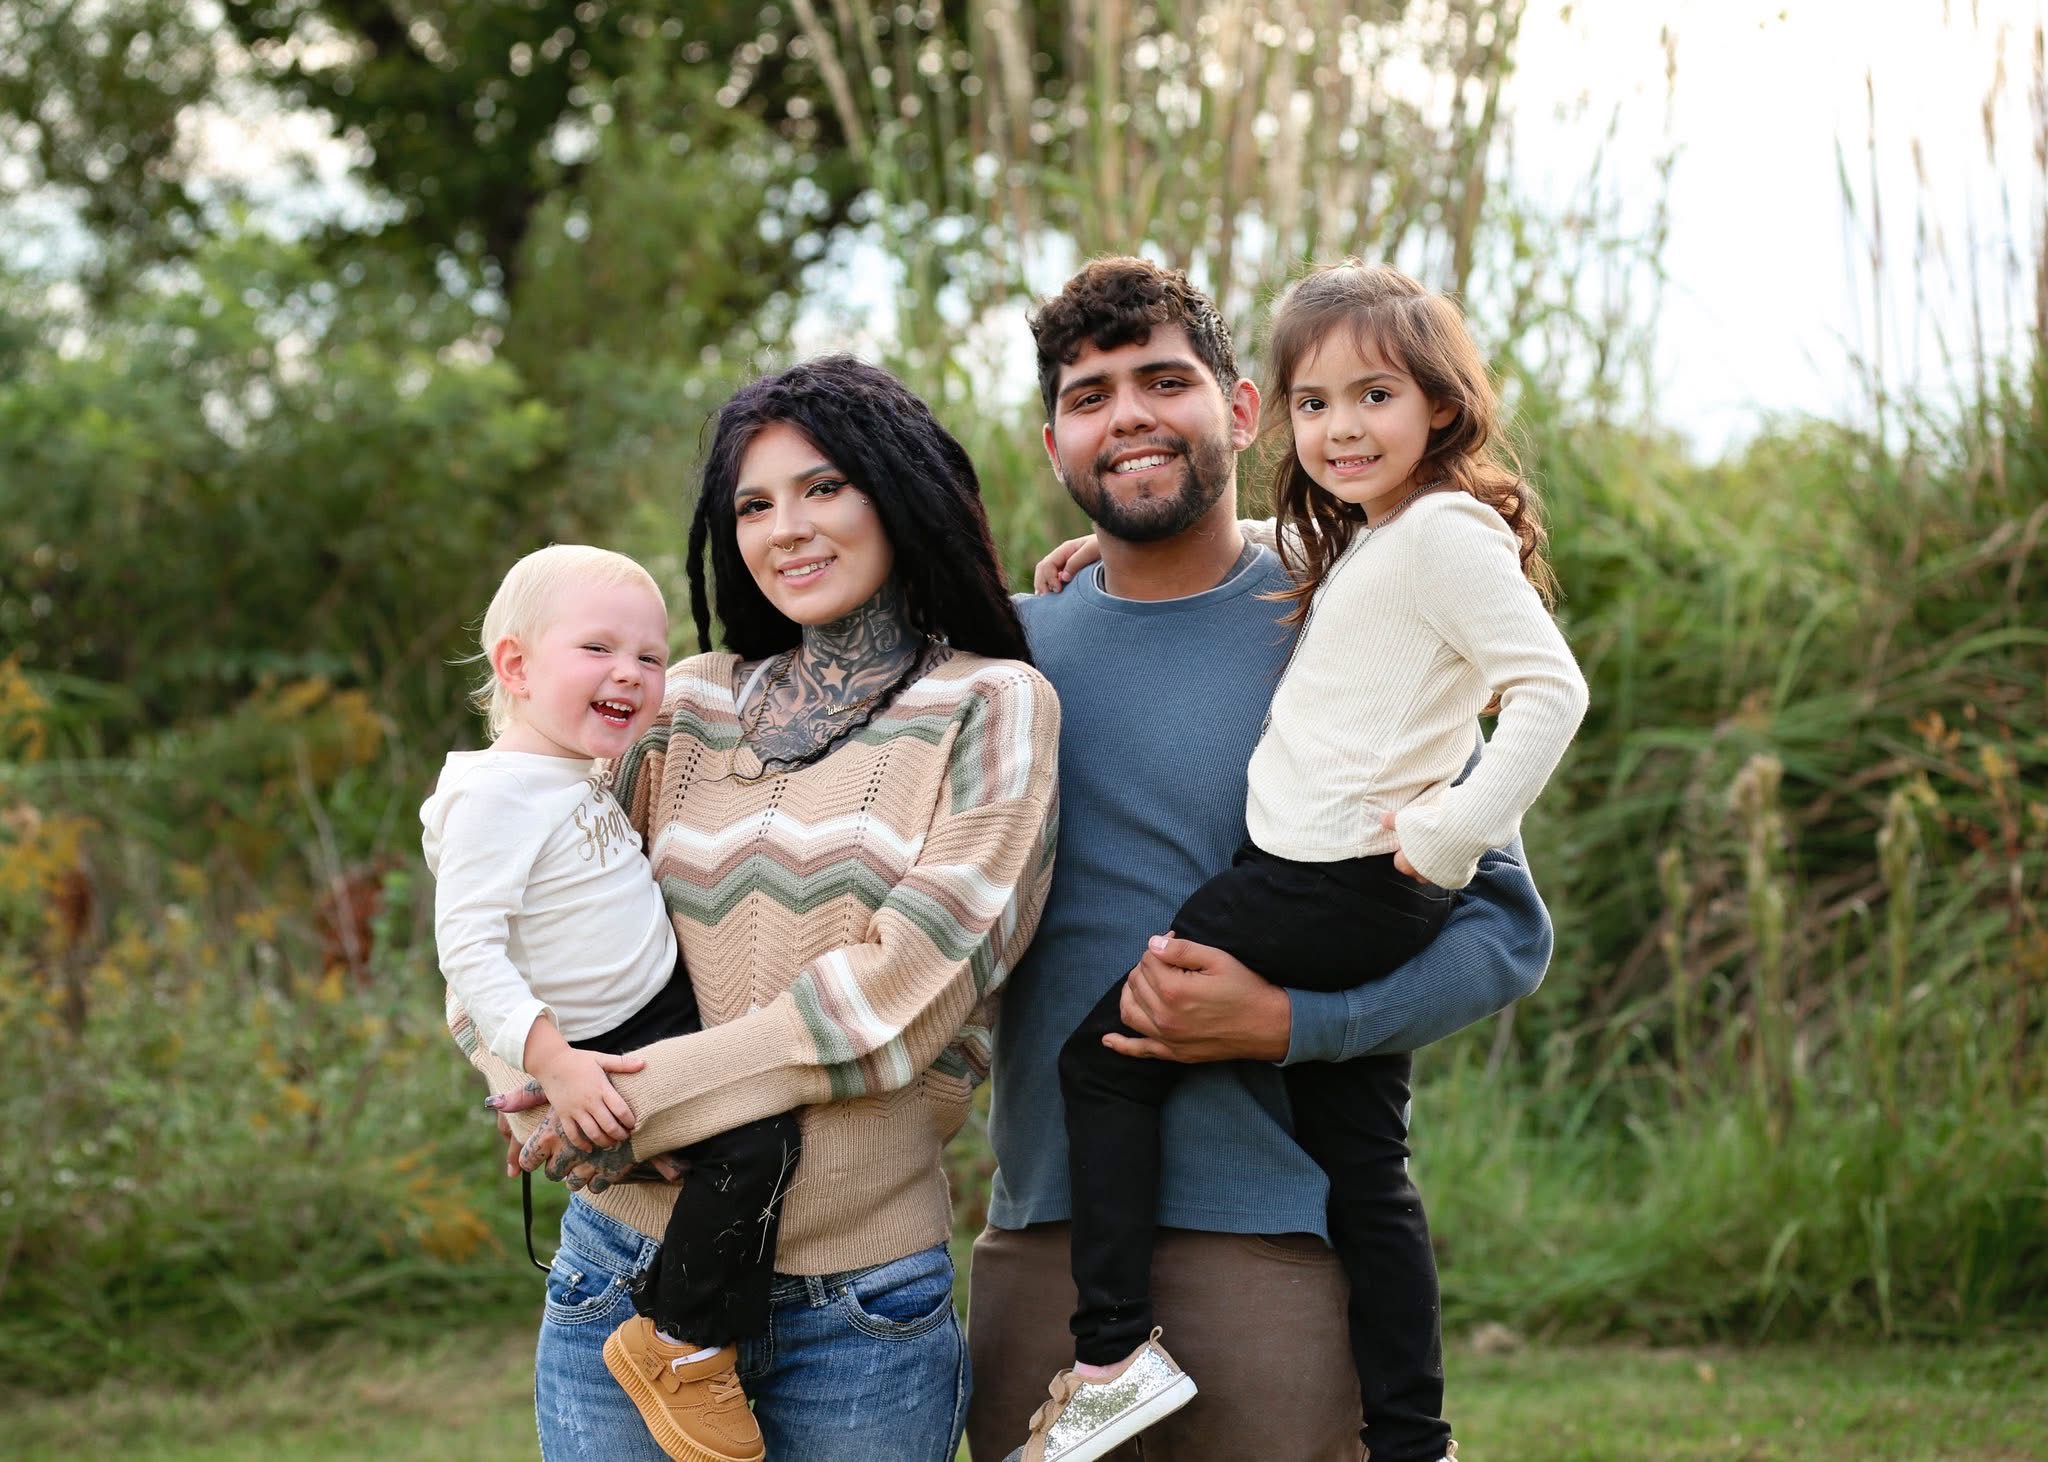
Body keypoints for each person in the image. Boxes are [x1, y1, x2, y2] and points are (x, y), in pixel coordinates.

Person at [965, 257, 1560, 1462]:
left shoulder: (1346, 608)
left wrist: (1294, 1025)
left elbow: (1502, 931)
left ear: (1240, 410)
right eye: (1088, 397)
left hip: (1276, 1238)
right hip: (1045, 1234)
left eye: (1162, 381)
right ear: (1052, 442)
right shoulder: (1006, 655)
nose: (1127, 417)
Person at [460, 355, 1061, 1461]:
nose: (787, 528)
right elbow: (504, 914)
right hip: (620, 1272)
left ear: (900, 492)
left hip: (856, 1311)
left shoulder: (990, 707)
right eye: (753, 504)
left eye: (823, 487)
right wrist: (523, 1081)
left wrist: (614, 1109)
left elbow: (892, 1005)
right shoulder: (677, 701)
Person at [423, 543, 804, 1462]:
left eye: (648, 655)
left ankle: (688, 1326)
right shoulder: (495, 797)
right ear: (516, 666)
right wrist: (552, 1065)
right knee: (755, 1148)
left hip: (657, 1007)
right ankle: (680, 1343)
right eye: (597, 649)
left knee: (742, 1141)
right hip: (606, 1037)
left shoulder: (568, 771)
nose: (631, 673)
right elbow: (467, 950)